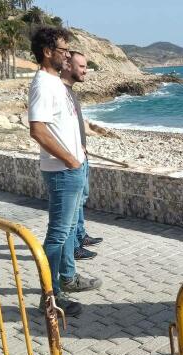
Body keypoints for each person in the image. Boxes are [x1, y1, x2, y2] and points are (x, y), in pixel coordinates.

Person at [28, 27, 102, 317]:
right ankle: (49, 298)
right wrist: (71, 160)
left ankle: (69, 278)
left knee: (70, 231)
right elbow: (38, 129)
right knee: (58, 235)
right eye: (63, 50)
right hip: (62, 171)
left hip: (72, 166)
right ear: (48, 52)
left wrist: (79, 155)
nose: (67, 54)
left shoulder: (56, 84)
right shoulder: (43, 85)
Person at [60, 50, 104, 261]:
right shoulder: (59, 90)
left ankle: (80, 235)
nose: (86, 71)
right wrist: (72, 154)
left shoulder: (69, 91)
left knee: (82, 198)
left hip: (80, 154)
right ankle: (74, 248)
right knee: (73, 205)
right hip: (72, 159)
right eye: (82, 67)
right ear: (68, 66)